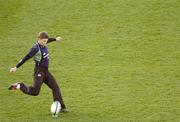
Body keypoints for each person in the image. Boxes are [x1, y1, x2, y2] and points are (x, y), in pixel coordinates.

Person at [9, 31, 68, 112]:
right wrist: (15, 67)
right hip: (39, 71)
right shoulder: (35, 48)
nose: (45, 42)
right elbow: (25, 57)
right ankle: (20, 85)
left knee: (55, 88)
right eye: (43, 41)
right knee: (35, 92)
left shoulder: (44, 43)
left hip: (46, 71)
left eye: (46, 41)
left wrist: (55, 39)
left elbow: (48, 40)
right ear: (39, 39)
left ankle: (61, 107)